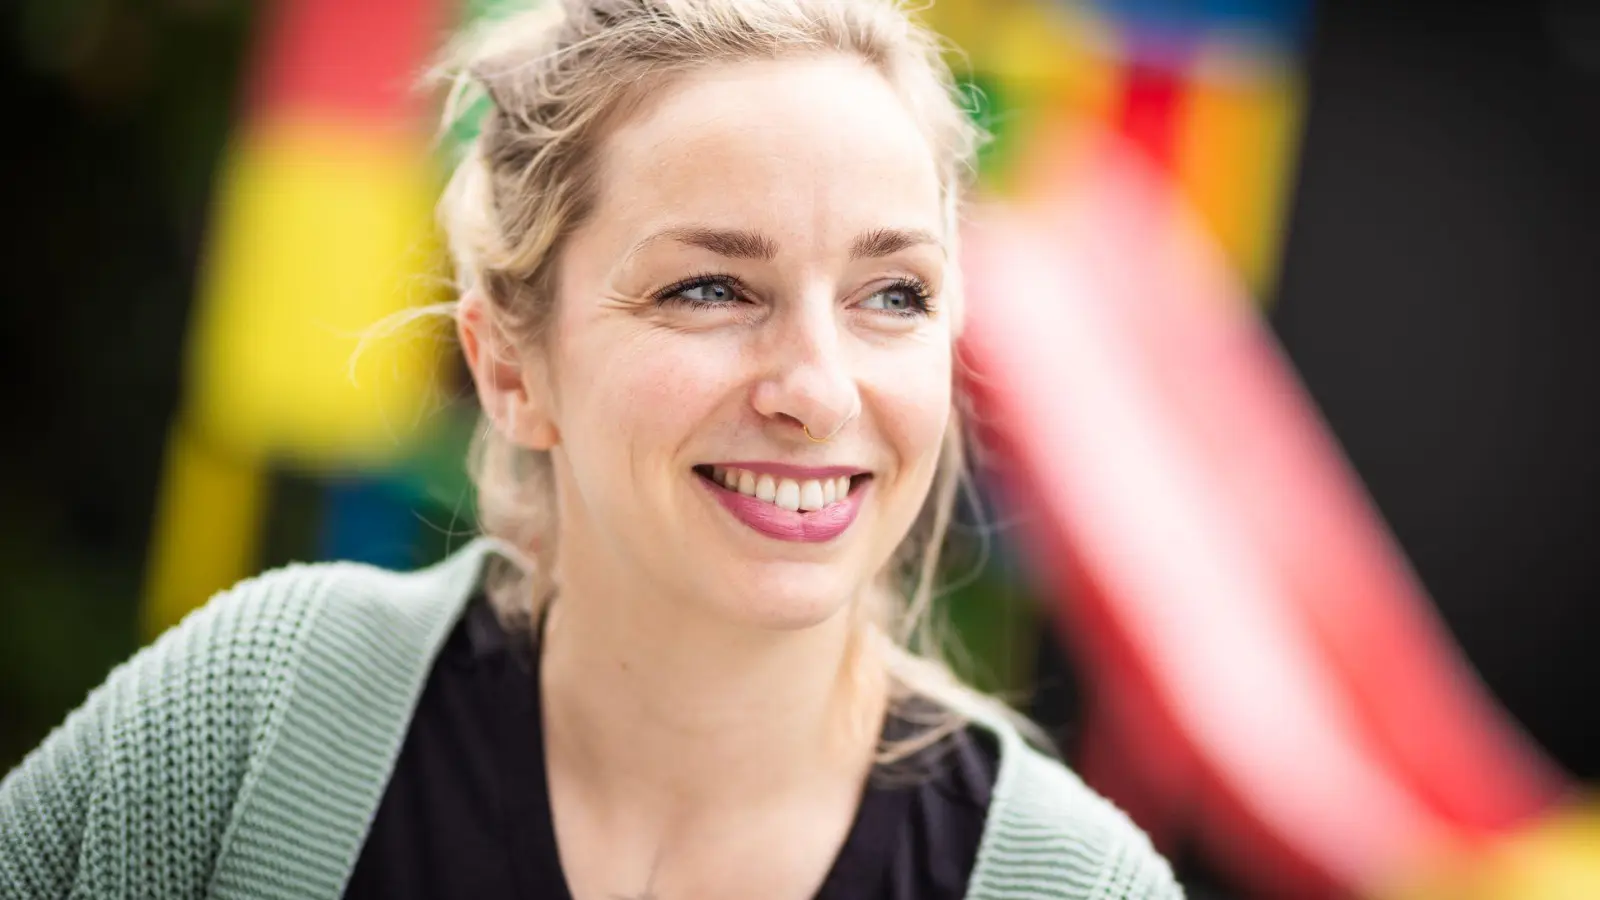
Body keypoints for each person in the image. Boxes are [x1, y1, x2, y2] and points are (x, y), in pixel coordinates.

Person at [0, 1, 1180, 897]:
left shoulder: (1066, 879)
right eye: (712, 287)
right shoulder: (265, 715)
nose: (819, 391)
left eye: (894, 293)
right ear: (512, 368)